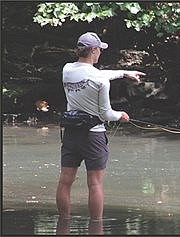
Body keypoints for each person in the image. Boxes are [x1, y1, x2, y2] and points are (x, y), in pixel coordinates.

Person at [56, 32, 145, 224]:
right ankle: (96, 227)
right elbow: (106, 114)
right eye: (99, 50)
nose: (100, 54)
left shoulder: (67, 70)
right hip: (93, 136)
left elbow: (93, 75)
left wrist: (123, 73)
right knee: (95, 184)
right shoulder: (100, 80)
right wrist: (120, 115)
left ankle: (63, 224)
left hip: (71, 134)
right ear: (94, 50)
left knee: (65, 181)